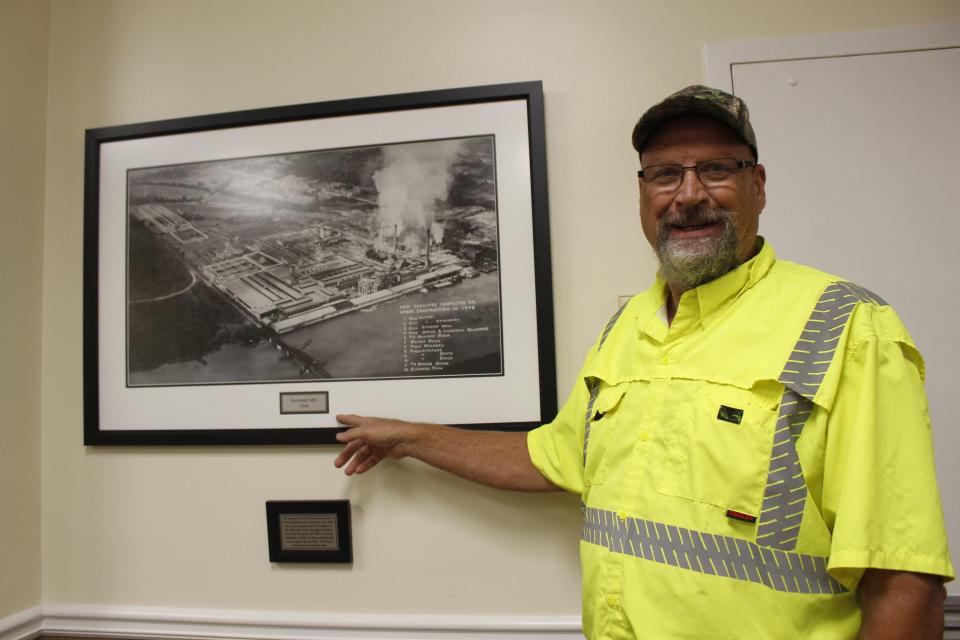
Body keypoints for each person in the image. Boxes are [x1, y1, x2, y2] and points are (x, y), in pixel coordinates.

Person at [335, 85, 954, 638]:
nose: (688, 195)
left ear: (758, 185)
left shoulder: (847, 327)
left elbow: (903, 577)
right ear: (642, 193)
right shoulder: (627, 324)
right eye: (664, 175)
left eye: (715, 169)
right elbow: (552, 458)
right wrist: (413, 437)